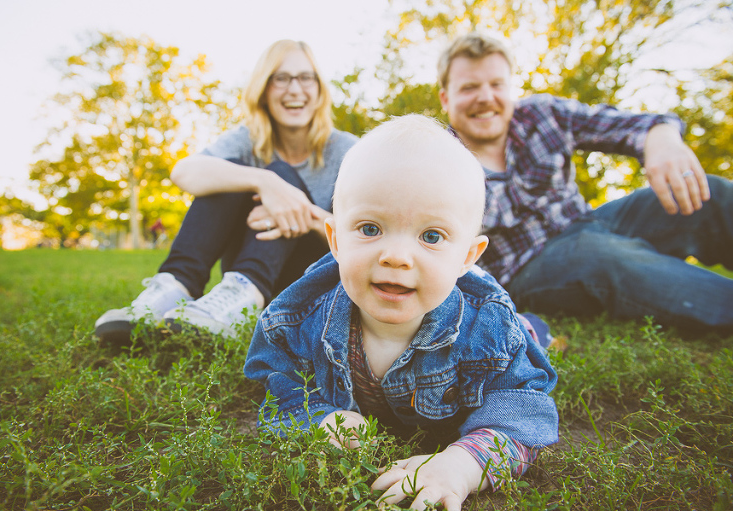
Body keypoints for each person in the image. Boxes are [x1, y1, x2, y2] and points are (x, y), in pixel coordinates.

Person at [244, 115, 559, 510]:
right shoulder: (300, 317)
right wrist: (324, 421)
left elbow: (523, 412)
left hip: (506, 329)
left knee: (527, 335)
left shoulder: (489, 329)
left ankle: (536, 328)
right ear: (336, 241)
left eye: (431, 236)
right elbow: (278, 388)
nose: (395, 256)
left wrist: (461, 465)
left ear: (466, 257)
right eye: (370, 229)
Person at [437, 31, 733, 331]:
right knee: (598, 254)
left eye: (496, 84)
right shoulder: (437, 164)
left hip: (590, 222)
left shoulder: (542, 115)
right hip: (528, 269)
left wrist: (662, 138)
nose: (486, 97)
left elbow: (629, 125)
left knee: (709, 193)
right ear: (446, 98)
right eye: (470, 87)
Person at [95, 40, 358, 345]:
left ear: (319, 89)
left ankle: (243, 295)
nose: (295, 89)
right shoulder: (248, 140)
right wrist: (264, 183)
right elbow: (184, 172)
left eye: (305, 77)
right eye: (281, 78)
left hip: (313, 273)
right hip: (250, 261)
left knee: (279, 174)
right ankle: (175, 286)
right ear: (264, 90)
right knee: (230, 170)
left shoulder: (347, 150)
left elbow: (372, 232)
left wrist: (302, 214)